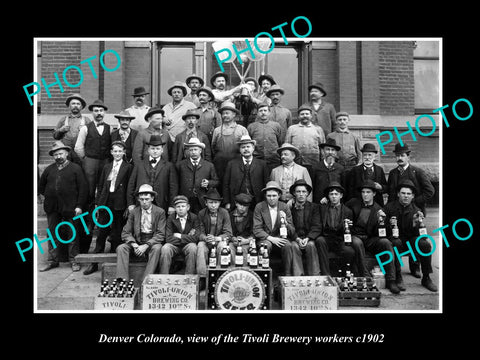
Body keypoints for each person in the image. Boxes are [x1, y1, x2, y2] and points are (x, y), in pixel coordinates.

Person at [83, 141, 133, 275]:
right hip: (106, 203)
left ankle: (115, 264)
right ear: (111, 152)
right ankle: (94, 263)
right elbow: (100, 186)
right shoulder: (106, 167)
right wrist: (99, 203)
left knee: (117, 234)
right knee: (101, 233)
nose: (117, 153)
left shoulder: (128, 167)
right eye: (115, 151)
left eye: (120, 151)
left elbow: (130, 187)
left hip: (119, 204)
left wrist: (129, 205)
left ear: (124, 153)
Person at [38, 141, 88, 272]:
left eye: (60, 153)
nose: (58, 156)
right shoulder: (49, 169)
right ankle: (52, 260)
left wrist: (79, 206)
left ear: (66, 153)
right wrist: (51, 196)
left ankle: (74, 260)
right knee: (53, 234)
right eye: (55, 155)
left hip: (71, 208)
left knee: (72, 234)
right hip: (53, 208)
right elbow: (41, 187)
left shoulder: (76, 168)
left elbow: (83, 189)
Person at [345, 180, 400, 294]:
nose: (365, 195)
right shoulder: (353, 203)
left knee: (385, 242)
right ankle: (365, 275)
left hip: (370, 238)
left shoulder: (379, 209)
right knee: (356, 242)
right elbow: (341, 209)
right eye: (363, 192)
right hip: (355, 236)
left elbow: (381, 233)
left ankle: (391, 279)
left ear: (374, 194)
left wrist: (384, 222)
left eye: (368, 192)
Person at [383, 180, 437, 291]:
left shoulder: (416, 210)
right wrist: (389, 224)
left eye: (408, 194)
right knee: (396, 243)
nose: (405, 196)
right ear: (398, 194)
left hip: (409, 242)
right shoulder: (389, 208)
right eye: (403, 193)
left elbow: (422, 236)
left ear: (413, 196)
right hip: (395, 241)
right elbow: (381, 229)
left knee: (425, 245)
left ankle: (426, 277)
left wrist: (418, 224)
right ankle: (398, 276)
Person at [74, 99, 112, 253]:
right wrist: (87, 160)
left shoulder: (110, 128)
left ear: (105, 112)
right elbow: (78, 147)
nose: (99, 113)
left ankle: (104, 224)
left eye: (101, 110)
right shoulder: (85, 128)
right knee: (89, 195)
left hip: (105, 163)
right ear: (92, 113)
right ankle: (87, 230)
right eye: (96, 111)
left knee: (104, 193)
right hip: (90, 163)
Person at [315, 182, 368, 277]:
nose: (334, 197)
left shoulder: (348, 211)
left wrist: (346, 226)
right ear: (328, 196)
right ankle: (325, 274)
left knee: (349, 251)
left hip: (340, 238)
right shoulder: (322, 209)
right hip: (327, 238)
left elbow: (348, 232)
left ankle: (345, 275)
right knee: (320, 240)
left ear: (341, 196)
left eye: (336, 194)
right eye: (331, 194)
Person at [116, 184, 165, 280]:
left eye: (147, 199)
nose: (144, 202)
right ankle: (122, 280)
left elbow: (161, 234)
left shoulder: (160, 212)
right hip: (137, 241)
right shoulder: (134, 212)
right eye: (141, 199)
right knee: (121, 248)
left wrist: (146, 245)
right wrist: (134, 245)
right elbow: (126, 232)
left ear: (152, 198)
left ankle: (146, 280)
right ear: (138, 199)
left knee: (157, 248)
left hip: (152, 242)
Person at [252, 181, 296, 276]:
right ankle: (263, 275)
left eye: (274, 196)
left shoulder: (284, 207)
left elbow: (292, 231)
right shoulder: (259, 207)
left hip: (280, 238)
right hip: (266, 239)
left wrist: (286, 222)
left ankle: (287, 275)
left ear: (279, 195)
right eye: (269, 196)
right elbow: (257, 229)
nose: (271, 198)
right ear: (265, 196)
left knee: (288, 245)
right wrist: (271, 238)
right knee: (266, 245)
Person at [127, 135, 178, 215]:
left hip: (161, 203)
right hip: (141, 202)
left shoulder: (169, 166)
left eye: (158, 149)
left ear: (162, 150)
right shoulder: (139, 164)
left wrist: (172, 205)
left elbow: (173, 187)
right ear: (148, 150)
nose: (155, 151)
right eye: (152, 148)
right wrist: (130, 203)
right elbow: (131, 184)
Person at [222, 135, 269, 211]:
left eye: (248, 146)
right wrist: (227, 202)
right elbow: (226, 184)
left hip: (257, 201)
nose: (246, 149)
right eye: (243, 147)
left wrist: (265, 202)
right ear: (240, 150)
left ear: (253, 148)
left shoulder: (262, 164)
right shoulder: (232, 164)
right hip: (237, 201)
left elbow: (266, 184)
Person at [387, 143, 435, 215]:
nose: (399, 158)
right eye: (397, 156)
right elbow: (390, 193)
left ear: (408, 157)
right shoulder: (392, 173)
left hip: (414, 211)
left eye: (402, 155)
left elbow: (430, 191)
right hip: (396, 212)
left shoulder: (418, 172)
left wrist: (414, 201)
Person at [176, 137, 219, 214]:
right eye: (191, 150)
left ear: (200, 150)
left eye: (195, 149)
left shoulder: (209, 165)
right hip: (185, 200)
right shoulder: (181, 165)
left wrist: (208, 183)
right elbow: (175, 183)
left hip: (201, 200)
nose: (193, 152)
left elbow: (216, 182)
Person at [196, 189, 233, 277]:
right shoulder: (201, 213)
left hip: (219, 240)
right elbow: (199, 232)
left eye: (216, 203)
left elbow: (228, 233)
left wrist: (217, 238)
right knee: (200, 246)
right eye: (210, 202)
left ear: (219, 203)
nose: (213, 205)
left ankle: (221, 275)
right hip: (207, 241)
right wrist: (205, 238)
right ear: (206, 203)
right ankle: (202, 277)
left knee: (222, 246)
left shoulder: (224, 213)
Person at [160, 195, 201, 274]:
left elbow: (196, 238)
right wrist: (188, 237)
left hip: (188, 245)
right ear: (175, 208)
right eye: (178, 206)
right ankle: (164, 276)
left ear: (188, 207)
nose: (181, 209)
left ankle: (189, 277)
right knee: (165, 248)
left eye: (183, 206)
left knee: (193, 247)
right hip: (174, 246)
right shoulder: (170, 218)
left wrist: (180, 236)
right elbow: (168, 238)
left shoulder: (194, 218)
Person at [211, 100, 249, 185]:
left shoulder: (241, 130)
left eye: (227, 113)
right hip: (219, 164)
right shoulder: (217, 130)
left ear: (234, 114)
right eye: (223, 113)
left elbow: (247, 148)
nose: (225, 115)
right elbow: (213, 147)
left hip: (236, 163)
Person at [289, 179, 321, 276]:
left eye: (304, 192)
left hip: (308, 237)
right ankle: (298, 276)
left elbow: (317, 225)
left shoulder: (314, 207)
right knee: (294, 246)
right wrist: (297, 239)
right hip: (295, 238)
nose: (301, 194)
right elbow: (289, 226)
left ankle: (315, 275)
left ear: (307, 193)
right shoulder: (290, 208)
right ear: (294, 193)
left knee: (311, 245)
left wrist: (308, 238)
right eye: (298, 192)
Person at [285, 104, 325, 174]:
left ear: (311, 116)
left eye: (307, 114)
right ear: (298, 116)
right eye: (302, 114)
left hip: (313, 163)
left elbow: (322, 148)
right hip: (296, 162)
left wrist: (323, 163)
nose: (304, 116)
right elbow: (287, 147)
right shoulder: (292, 129)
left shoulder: (318, 129)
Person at [52, 93, 90, 165]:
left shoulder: (87, 120)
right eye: (73, 103)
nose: (75, 105)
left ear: (81, 107)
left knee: (80, 172)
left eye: (78, 104)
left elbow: (92, 137)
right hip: (66, 153)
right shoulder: (63, 120)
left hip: (80, 153)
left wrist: (85, 131)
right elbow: (55, 136)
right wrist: (61, 130)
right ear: (69, 106)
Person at [247, 101, 285, 173]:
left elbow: (280, 142)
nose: (263, 113)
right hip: (257, 159)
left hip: (273, 159)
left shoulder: (276, 126)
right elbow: (249, 144)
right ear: (258, 113)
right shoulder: (251, 127)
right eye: (260, 111)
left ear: (269, 112)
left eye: (265, 110)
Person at [312, 138, 345, 204]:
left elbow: (343, 187)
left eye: (333, 150)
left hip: (336, 203)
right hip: (319, 204)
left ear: (335, 153)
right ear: (323, 151)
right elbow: (313, 187)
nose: (330, 152)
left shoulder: (340, 168)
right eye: (327, 149)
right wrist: (319, 199)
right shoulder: (315, 167)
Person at [228, 193, 255, 266]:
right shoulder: (230, 215)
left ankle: (244, 271)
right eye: (240, 205)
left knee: (244, 249)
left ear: (248, 206)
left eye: (245, 206)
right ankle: (233, 271)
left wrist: (246, 240)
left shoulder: (252, 216)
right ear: (236, 203)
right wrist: (233, 238)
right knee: (230, 248)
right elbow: (227, 230)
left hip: (247, 242)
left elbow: (254, 232)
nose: (242, 207)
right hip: (234, 242)